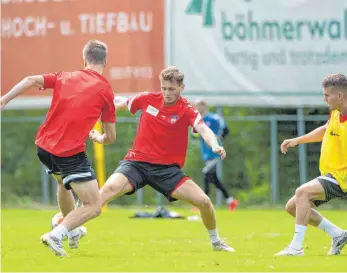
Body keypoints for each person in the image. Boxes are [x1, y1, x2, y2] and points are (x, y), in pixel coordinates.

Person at [92, 66, 234, 252]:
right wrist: (102, 104)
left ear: (181, 88)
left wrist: (214, 145)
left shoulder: (186, 109)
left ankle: (216, 242)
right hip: (137, 163)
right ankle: (70, 227)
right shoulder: (147, 99)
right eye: (164, 88)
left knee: (204, 202)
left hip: (168, 171)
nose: (167, 93)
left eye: (171, 89)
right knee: (106, 190)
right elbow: (121, 102)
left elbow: (203, 129)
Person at [0, 40, 117, 257]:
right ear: (105, 61)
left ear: (84, 59)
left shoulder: (65, 76)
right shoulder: (105, 90)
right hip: (69, 153)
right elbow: (110, 137)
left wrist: (4, 99)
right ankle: (58, 232)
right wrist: (97, 137)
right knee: (94, 206)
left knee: (64, 185)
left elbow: (29, 80)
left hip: (44, 147)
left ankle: (71, 231)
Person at [275, 74, 347, 256]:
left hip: (342, 176)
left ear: (339, 96)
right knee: (293, 206)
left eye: (327, 95)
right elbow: (325, 130)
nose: (324, 99)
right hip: (332, 175)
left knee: (302, 193)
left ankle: (296, 248)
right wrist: (297, 140)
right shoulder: (336, 113)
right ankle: (338, 235)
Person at [194, 99, 239, 211]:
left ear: (204, 106)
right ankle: (230, 201)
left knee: (205, 174)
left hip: (215, 153)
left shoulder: (214, 118)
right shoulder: (198, 120)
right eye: (196, 106)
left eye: (200, 106)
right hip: (206, 154)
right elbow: (193, 134)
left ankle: (203, 204)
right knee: (213, 179)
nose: (198, 108)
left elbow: (226, 129)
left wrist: (219, 138)